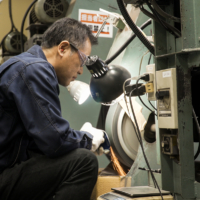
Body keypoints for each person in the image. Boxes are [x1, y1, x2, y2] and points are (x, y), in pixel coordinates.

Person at [0, 17, 106, 200]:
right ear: (63, 48)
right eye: (82, 60)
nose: (81, 71)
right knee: (84, 161)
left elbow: (42, 143)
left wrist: (77, 138)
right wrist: (88, 140)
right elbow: (54, 141)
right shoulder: (35, 70)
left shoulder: (27, 65)